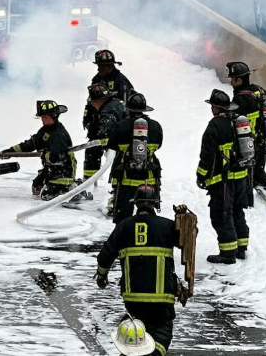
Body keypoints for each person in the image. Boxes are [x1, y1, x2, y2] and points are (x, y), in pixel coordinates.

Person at [95, 185, 179, 356]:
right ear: (156, 204)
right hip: (162, 296)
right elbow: (188, 243)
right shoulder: (167, 226)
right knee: (162, 331)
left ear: (136, 204)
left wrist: (102, 275)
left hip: (133, 297)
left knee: (137, 329)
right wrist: (185, 221)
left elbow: (106, 255)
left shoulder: (124, 226)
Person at [197, 89, 250, 263]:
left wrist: (201, 175)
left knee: (221, 214)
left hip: (223, 180)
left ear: (216, 108)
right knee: (237, 211)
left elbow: (207, 155)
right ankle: (241, 248)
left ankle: (228, 253)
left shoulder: (216, 125)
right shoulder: (237, 122)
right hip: (241, 176)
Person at [0, 100, 77, 200]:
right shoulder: (45, 130)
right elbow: (31, 144)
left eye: (44, 117)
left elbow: (57, 157)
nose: (42, 119)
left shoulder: (59, 135)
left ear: (51, 117)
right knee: (36, 187)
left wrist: (44, 155)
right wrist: (10, 151)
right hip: (50, 169)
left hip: (63, 173)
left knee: (48, 197)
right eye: (42, 117)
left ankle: (72, 188)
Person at [106, 92, 163, 222]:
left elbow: (112, 145)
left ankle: (123, 240)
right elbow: (159, 144)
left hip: (125, 179)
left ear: (128, 108)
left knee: (122, 217)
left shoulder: (121, 125)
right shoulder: (155, 126)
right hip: (149, 179)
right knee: (148, 215)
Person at [226, 61, 266, 192]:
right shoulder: (259, 90)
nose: (231, 82)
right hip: (262, 140)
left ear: (238, 80)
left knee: (249, 173)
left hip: (249, 143)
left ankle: (261, 197)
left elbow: (235, 124)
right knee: (259, 169)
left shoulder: (239, 99)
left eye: (232, 79)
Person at [83, 83, 125, 182]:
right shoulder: (113, 104)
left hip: (123, 141)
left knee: (119, 162)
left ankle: (90, 181)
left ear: (100, 100)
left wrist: (101, 139)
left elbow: (106, 130)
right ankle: (90, 180)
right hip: (123, 139)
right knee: (92, 149)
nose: (92, 104)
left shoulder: (108, 110)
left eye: (93, 101)